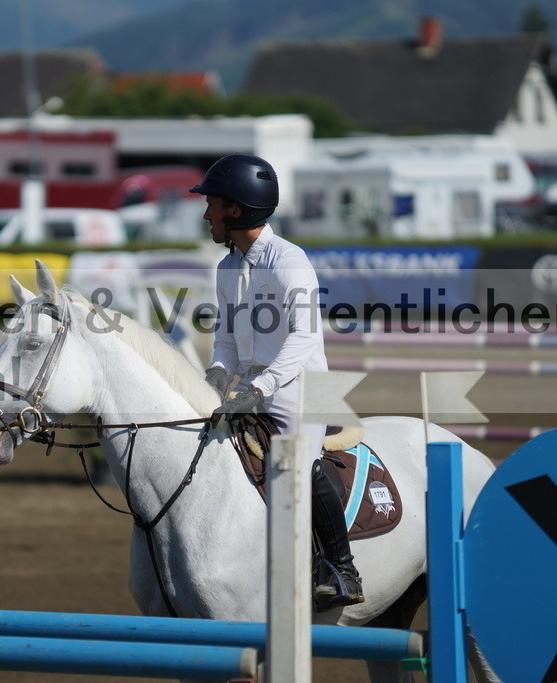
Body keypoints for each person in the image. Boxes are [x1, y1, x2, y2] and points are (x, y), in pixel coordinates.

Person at [190, 153, 364, 609]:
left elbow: (306, 337)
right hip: (252, 387)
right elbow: (226, 338)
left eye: (211, 204)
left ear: (235, 209)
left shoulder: (289, 260)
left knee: (296, 467)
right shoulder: (228, 269)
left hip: (302, 386)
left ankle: (342, 569)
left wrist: (261, 388)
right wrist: (216, 374)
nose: (205, 213)